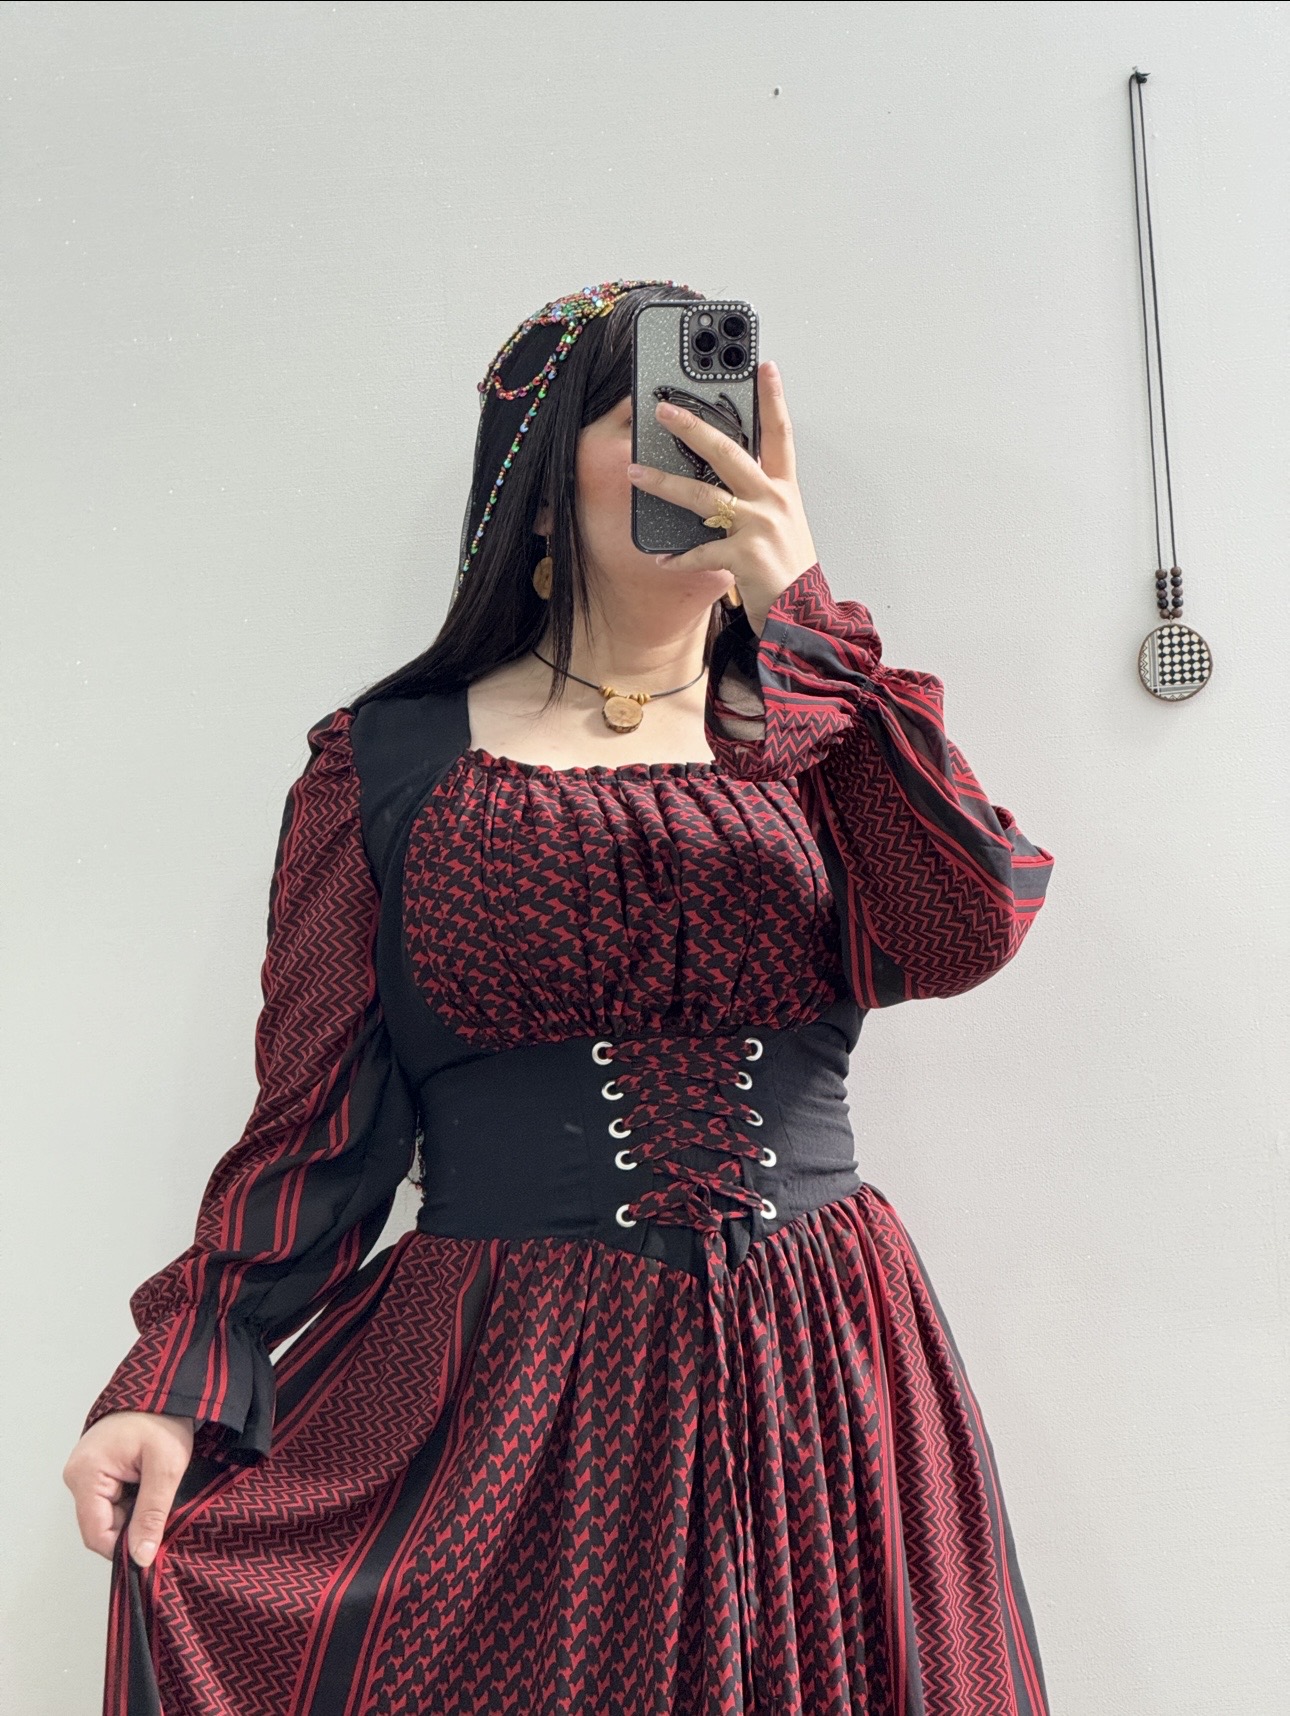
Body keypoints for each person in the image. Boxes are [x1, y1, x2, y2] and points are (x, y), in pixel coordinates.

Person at [64, 278, 1056, 1716]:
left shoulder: (823, 735)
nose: (704, 449)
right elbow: (316, 1123)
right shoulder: (388, 765)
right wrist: (185, 1371)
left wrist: (807, 623)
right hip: (519, 1392)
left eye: (730, 418)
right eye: (654, 415)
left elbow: (967, 928)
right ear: (538, 482)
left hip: (824, 1365)